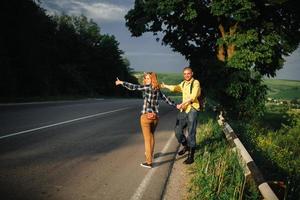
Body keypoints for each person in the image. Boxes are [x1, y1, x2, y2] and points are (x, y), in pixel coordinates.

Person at [115, 72, 177, 169]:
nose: (147, 80)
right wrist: (176, 105)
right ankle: (150, 155)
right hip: (155, 117)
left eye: (148, 78)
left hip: (146, 117)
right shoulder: (157, 89)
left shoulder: (147, 87)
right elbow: (166, 99)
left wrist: (121, 82)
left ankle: (148, 162)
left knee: (147, 140)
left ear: (152, 79)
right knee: (151, 137)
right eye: (146, 78)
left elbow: (134, 87)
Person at [161, 67, 201, 164]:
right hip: (184, 110)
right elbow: (175, 88)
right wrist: (165, 85)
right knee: (177, 131)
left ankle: (191, 157)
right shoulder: (183, 83)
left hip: (192, 109)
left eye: (188, 73)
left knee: (191, 132)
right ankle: (186, 145)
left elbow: (193, 96)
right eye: (185, 74)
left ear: (192, 73)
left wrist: (183, 104)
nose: (186, 75)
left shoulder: (195, 83)